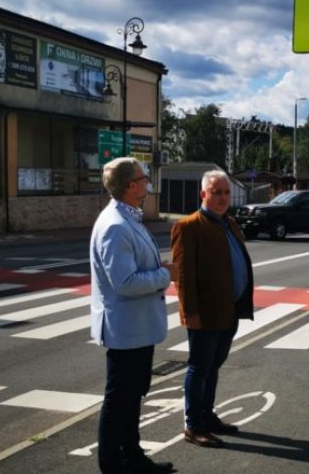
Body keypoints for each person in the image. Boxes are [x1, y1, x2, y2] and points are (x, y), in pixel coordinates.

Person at [90, 157, 177, 474]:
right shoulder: (115, 226)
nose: (147, 183)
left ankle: (132, 456)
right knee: (119, 400)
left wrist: (159, 272)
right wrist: (165, 275)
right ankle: (113, 465)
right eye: (143, 178)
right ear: (130, 186)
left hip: (137, 327)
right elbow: (124, 283)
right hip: (126, 329)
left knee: (131, 397)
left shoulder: (128, 218)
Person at [171, 170, 254, 448]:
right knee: (199, 367)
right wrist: (189, 312)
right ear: (203, 194)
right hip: (204, 313)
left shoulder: (228, 222)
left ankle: (207, 415)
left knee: (214, 366)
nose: (222, 197)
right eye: (216, 192)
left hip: (228, 310)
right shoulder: (189, 227)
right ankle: (194, 425)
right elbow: (183, 277)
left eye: (226, 192)